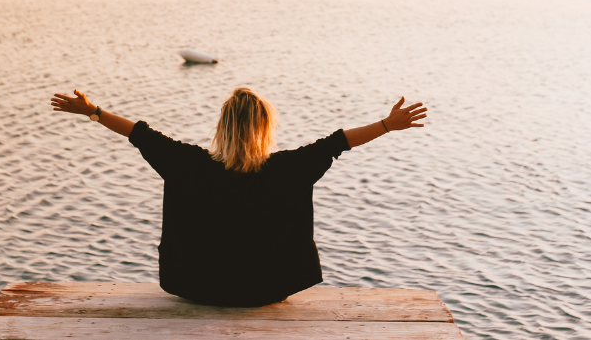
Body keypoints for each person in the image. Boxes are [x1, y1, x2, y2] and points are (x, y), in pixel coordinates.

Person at [50, 86, 427, 306]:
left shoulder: (188, 164)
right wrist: (387, 126)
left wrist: (93, 111)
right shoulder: (289, 169)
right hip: (267, 291)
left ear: (222, 126)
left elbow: (139, 133)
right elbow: (338, 142)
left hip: (194, 288)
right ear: (266, 128)